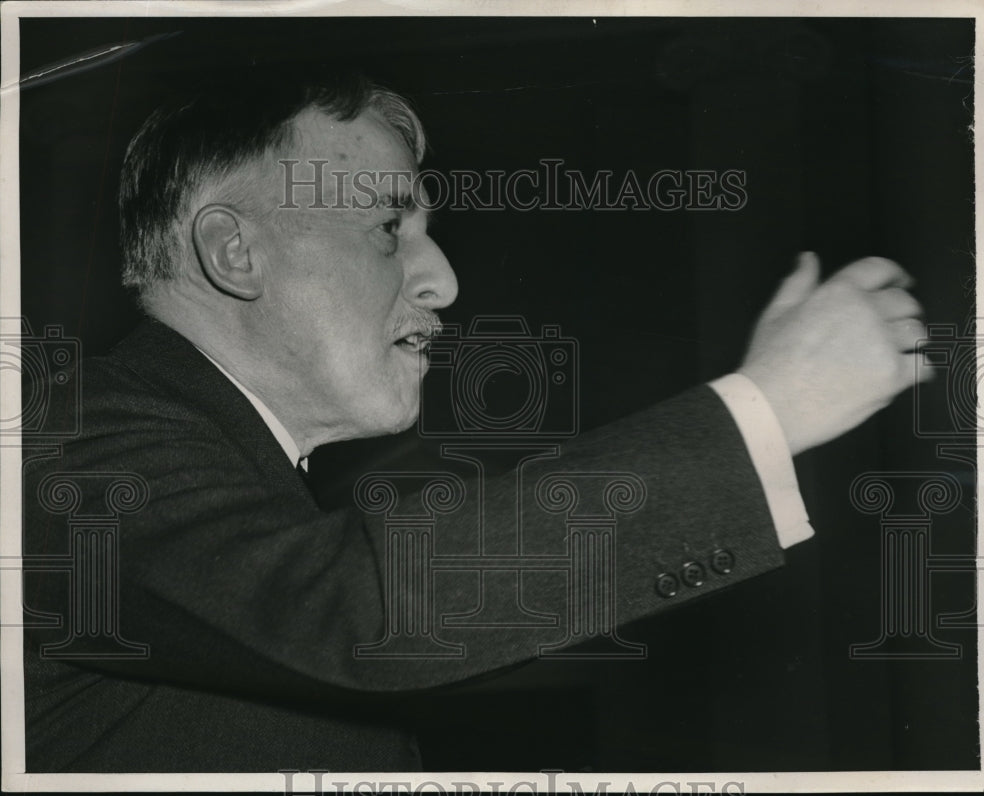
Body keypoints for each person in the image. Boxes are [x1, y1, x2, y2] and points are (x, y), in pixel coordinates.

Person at [21, 68, 930, 773]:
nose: (444, 283)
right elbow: (357, 611)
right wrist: (768, 411)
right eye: (389, 227)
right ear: (235, 251)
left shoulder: (230, 471)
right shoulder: (63, 438)